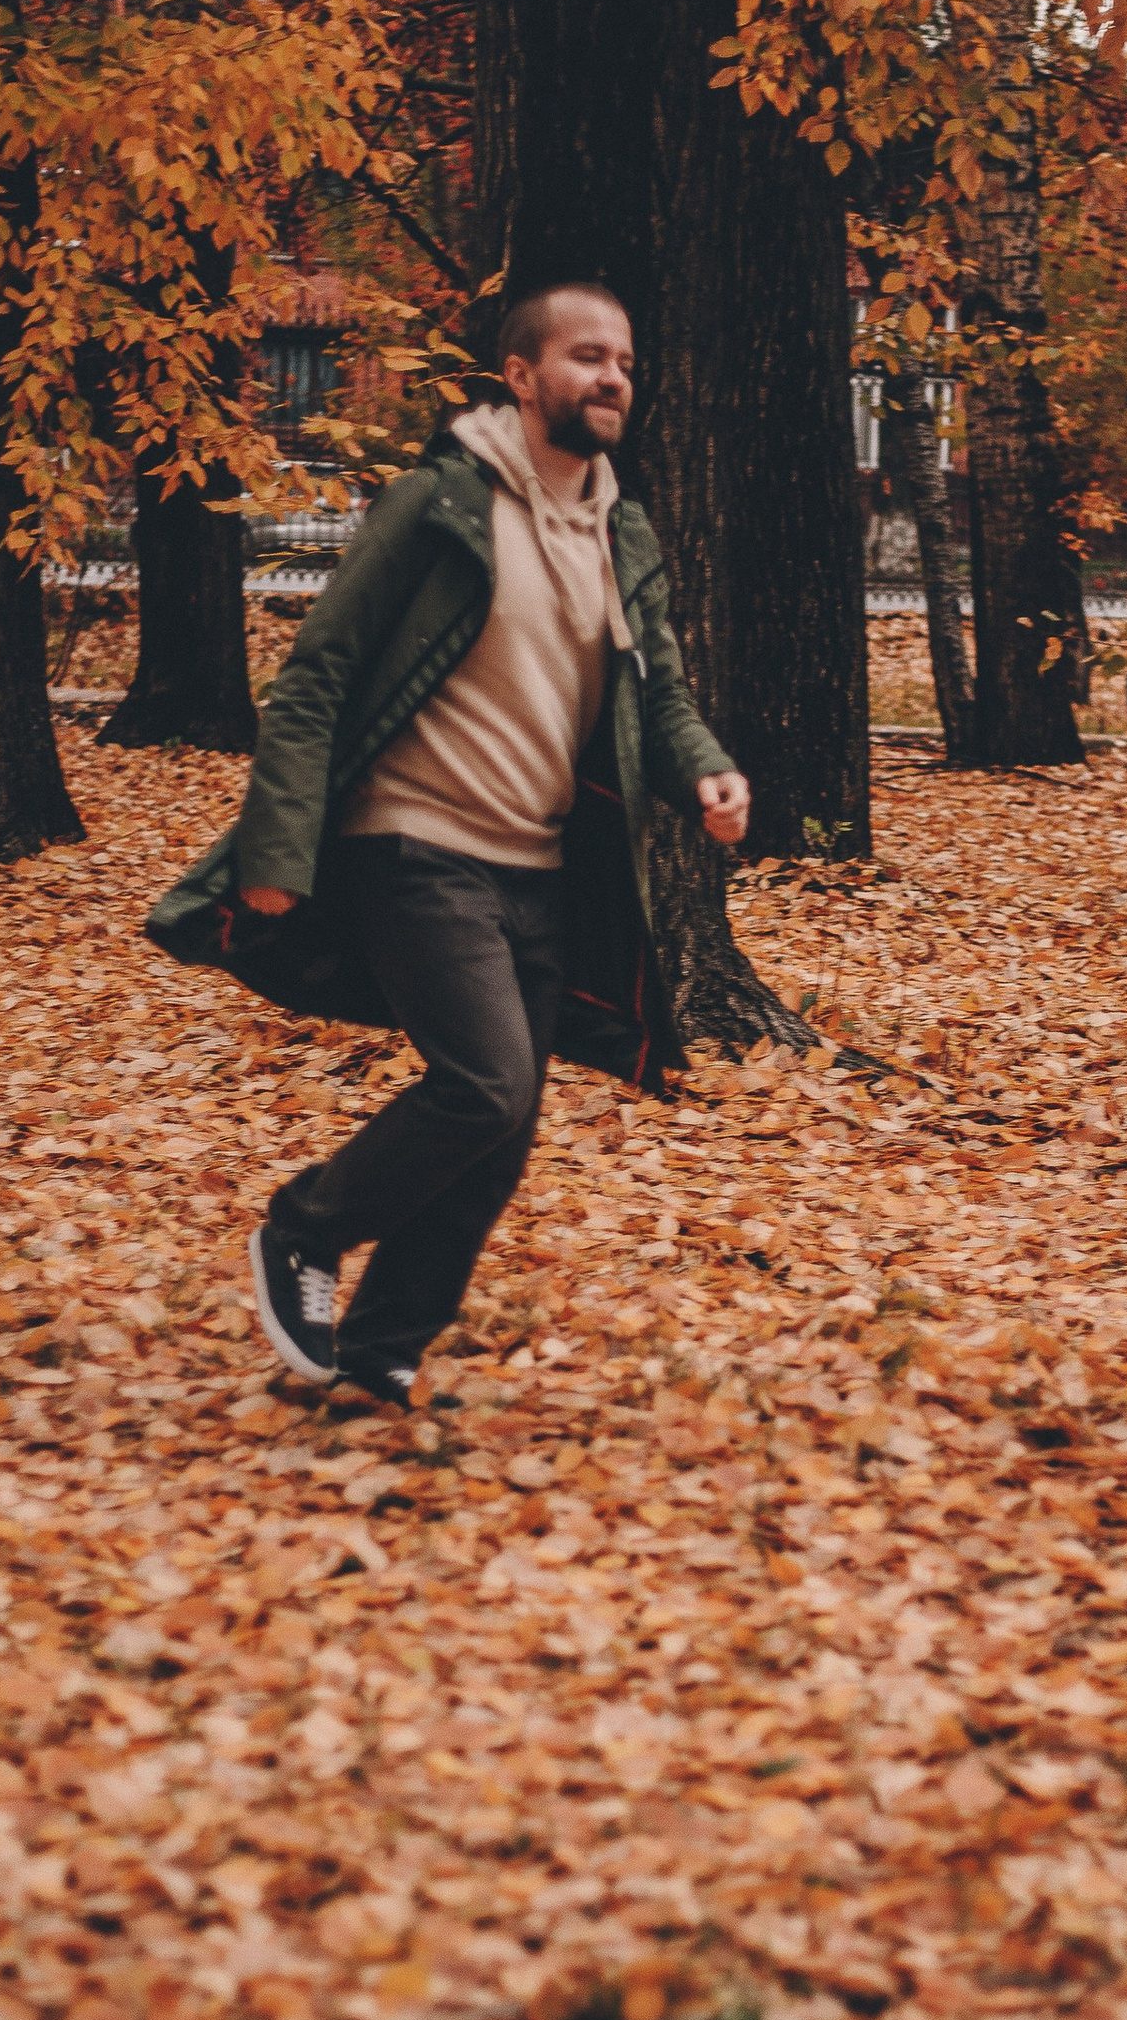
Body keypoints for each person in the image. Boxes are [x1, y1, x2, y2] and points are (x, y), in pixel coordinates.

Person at [146, 283, 748, 1407]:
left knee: (502, 1127)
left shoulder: (619, 529)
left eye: (623, 361)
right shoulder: (440, 503)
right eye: (586, 356)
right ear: (521, 376)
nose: (612, 378)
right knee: (483, 1085)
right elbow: (317, 674)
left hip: (541, 868)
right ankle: (306, 1226)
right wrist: (277, 850)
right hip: (414, 843)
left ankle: (377, 1354)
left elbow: (656, 691)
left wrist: (704, 766)